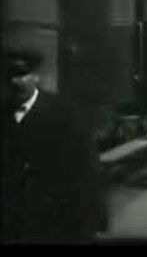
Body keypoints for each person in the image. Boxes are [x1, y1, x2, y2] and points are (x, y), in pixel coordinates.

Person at [2, 49, 106, 243]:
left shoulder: (63, 113)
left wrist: (94, 216)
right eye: (11, 76)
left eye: (23, 74)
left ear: (36, 77)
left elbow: (86, 166)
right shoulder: (4, 114)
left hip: (54, 215)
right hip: (12, 219)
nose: (17, 81)